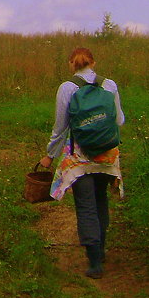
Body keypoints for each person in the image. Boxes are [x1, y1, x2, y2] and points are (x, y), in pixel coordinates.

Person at [39, 47, 125, 279]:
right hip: (107, 156)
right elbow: (119, 119)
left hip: (81, 157)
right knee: (100, 200)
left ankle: (95, 261)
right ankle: (102, 249)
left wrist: (50, 155)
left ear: (71, 64)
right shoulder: (110, 85)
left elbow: (61, 127)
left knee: (85, 205)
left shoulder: (67, 87)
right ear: (93, 63)